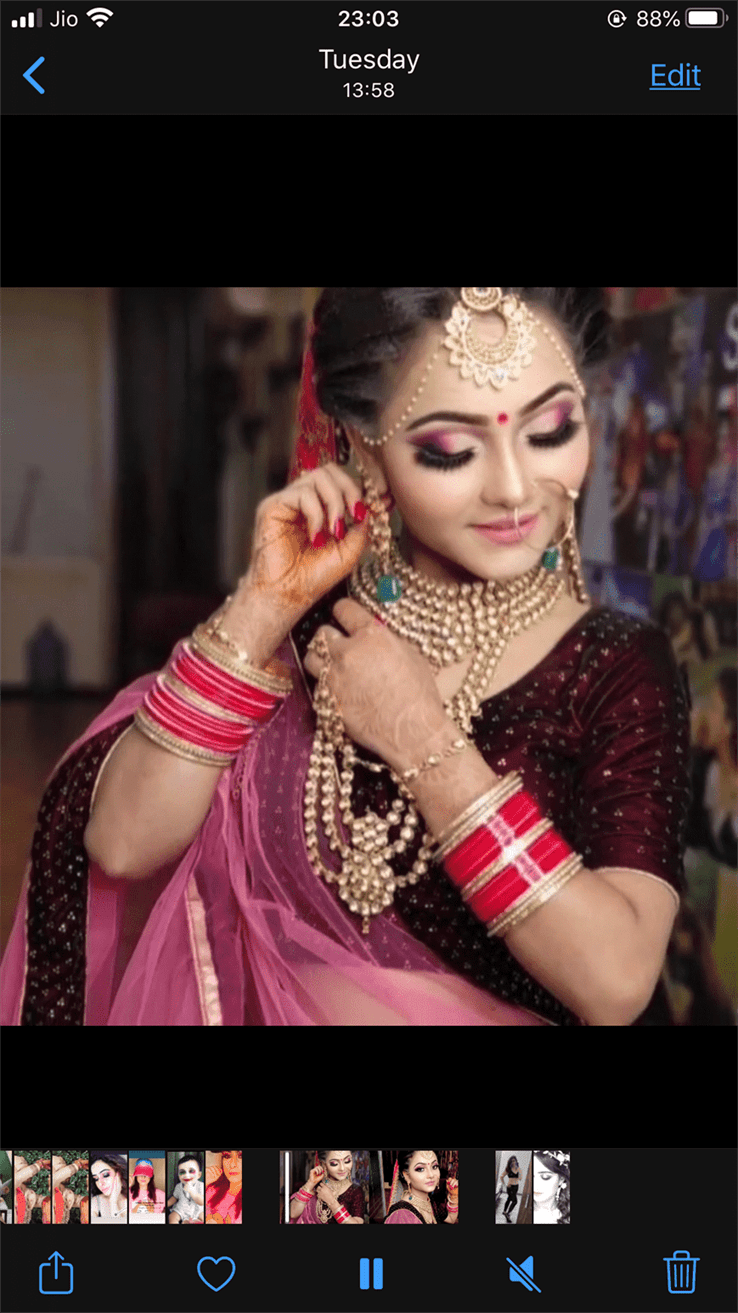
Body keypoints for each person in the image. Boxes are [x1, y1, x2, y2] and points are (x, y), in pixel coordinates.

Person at [0, 288, 691, 1026]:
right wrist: (263, 605)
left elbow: (616, 983)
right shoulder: (304, 635)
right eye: (451, 450)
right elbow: (121, 842)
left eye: (550, 431)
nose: (514, 489)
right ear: (366, 447)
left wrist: (421, 738)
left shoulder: (619, 668)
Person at [290, 1150, 364, 1224]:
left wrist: (331, 1201)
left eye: (347, 1161)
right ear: (324, 1164)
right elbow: (293, 1214)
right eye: (334, 1163)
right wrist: (310, 1183)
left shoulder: (355, 1191)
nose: (342, 1168)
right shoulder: (316, 1186)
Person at [384, 1150, 458, 1224]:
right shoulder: (401, 1216)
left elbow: (451, 1219)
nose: (431, 1175)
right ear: (406, 1176)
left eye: (434, 1167)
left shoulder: (430, 1202)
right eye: (421, 1169)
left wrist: (454, 1196)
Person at [168, 1154, 204, 1223]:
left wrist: (192, 1191)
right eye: (182, 1172)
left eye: (191, 1171)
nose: (186, 1175)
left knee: (204, 1216)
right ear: (178, 1176)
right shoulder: (178, 1186)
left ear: (199, 1175)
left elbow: (202, 1202)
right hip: (181, 1209)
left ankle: (194, 1221)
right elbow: (174, 1197)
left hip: (197, 1210)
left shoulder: (201, 1185)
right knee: (172, 1216)